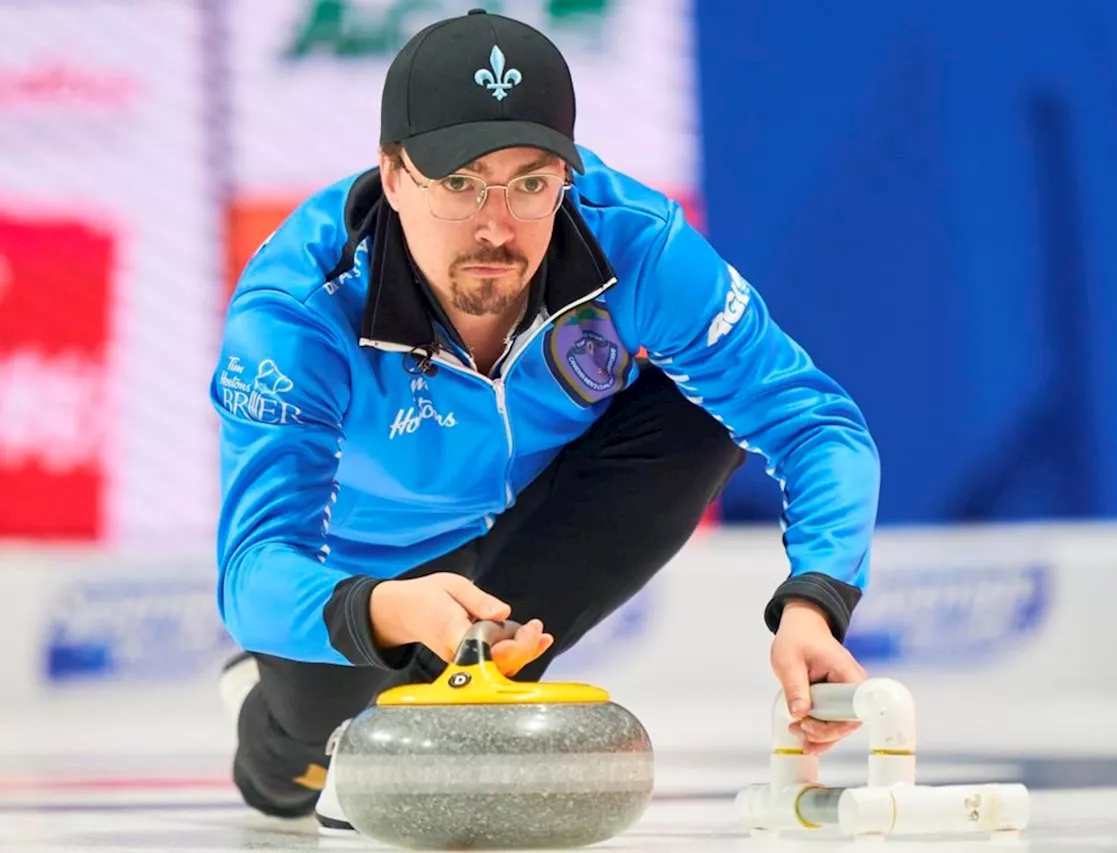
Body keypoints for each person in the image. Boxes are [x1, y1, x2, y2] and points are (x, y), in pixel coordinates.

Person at [211, 7, 880, 835]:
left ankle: (456, 700)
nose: (497, 226)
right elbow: (253, 569)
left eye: (530, 182)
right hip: (371, 570)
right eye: (460, 183)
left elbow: (815, 423)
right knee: (292, 776)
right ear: (392, 176)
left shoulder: (634, 243)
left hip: (539, 513)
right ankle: (275, 716)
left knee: (709, 414)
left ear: (566, 175)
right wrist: (388, 607)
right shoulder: (299, 307)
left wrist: (815, 602)